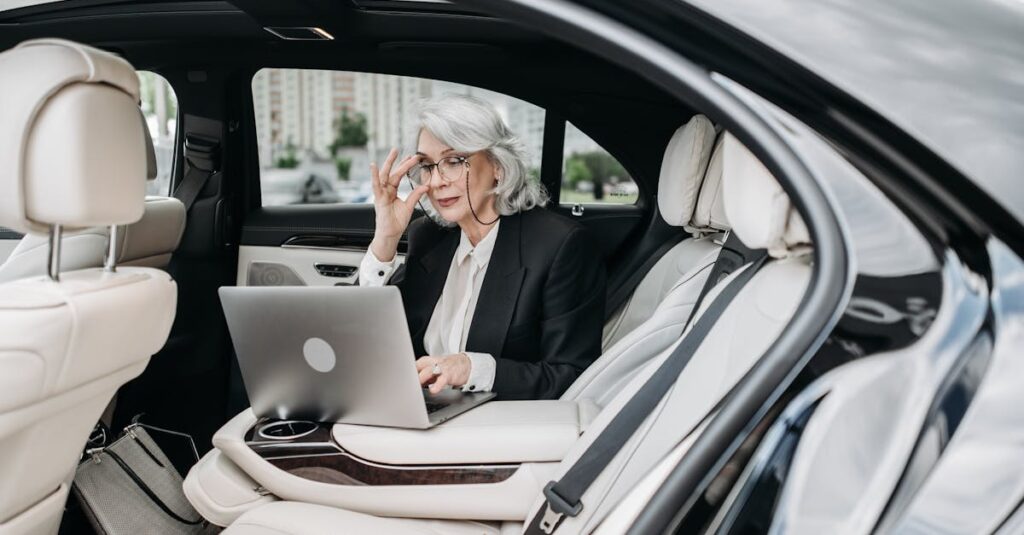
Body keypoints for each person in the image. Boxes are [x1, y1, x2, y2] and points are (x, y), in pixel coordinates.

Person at [359, 94, 605, 400]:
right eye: (426, 165)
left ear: (498, 165)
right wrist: (385, 238)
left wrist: (472, 369)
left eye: (453, 161)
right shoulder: (429, 237)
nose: (436, 182)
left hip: (496, 429)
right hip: (416, 410)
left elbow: (571, 375)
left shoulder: (558, 246)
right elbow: (364, 338)